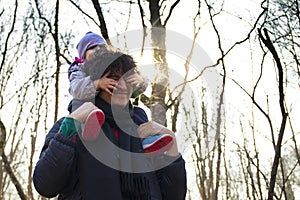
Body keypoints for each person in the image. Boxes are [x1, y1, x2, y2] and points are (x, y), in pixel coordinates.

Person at [33, 50, 187, 199]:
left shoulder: (145, 132)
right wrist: (70, 125)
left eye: (128, 80)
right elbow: (45, 185)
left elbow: (174, 195)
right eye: (113, 79)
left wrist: (172, 146)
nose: (122, 86)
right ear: (97, 83)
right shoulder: (72, 126)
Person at [68, 31, 173, 154]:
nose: (97, 49)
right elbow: (76, 89)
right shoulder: (79, 69)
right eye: (91, 47)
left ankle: (147, 139)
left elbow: (132, 92)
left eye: (100, 46)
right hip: (88, 103)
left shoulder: (114, 64)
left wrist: (140, 81)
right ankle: (87, 126)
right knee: (78, 105)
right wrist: (97, 83)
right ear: (82, 55)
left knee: (139, 113)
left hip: (114, 110)